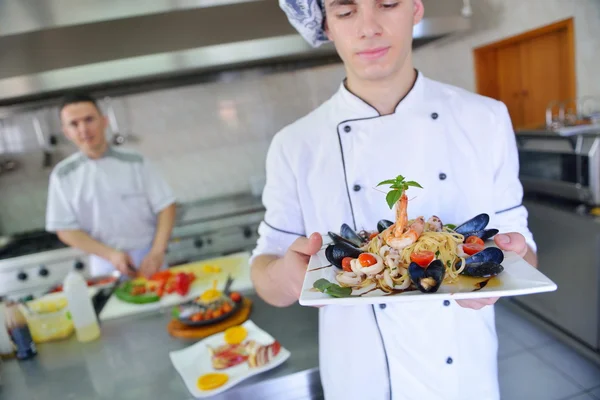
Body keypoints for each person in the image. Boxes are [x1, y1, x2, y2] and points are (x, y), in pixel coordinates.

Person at [250, 1, 539, 399]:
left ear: (416, 8)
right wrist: (285, 276)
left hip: (463, 376)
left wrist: (512, 262)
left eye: (387, 3)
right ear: (326, 25)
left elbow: (522, 247)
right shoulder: (294, 145)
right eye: (346, 11)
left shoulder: (485, 118)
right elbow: (266, 271)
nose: (368, 27)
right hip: (359, 379)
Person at [45, 92, 177, 278]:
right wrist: (111, 255)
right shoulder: (63, 175)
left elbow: (166, 206)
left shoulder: (136, 161)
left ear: (104, 121)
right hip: (105, 264)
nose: (83, 129)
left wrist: (157, 251)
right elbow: (65, 230)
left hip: (150, 258)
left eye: (89, 119)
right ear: (66, 132)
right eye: (74, 124)